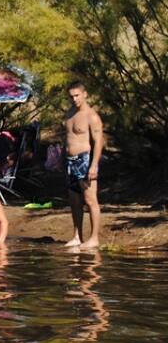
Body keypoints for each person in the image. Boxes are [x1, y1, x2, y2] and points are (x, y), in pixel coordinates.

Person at [64, 81, 104, 249]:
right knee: (74, 200)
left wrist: (94, 165)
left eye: (77, 95)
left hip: (84, 160)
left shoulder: (91, 116)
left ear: (85, 94)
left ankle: (94, 238)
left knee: (90, 199)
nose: (74, 99)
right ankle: (77, 236)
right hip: (69, 162)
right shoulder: (69, 114)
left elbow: (98, 141)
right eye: (71, 96)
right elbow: (66, 137)